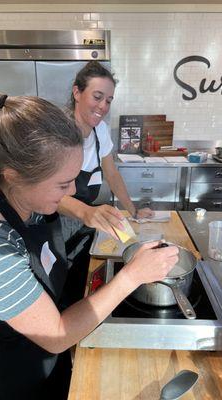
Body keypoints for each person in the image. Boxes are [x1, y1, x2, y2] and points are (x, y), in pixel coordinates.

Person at [0, 89, 179, 400]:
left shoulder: (25, 202)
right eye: (63, 184)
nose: (70, 191)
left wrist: (86, 211)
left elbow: (61, 202)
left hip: (41, 364)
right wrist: (132, 276)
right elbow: (56, 335)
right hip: (11, 379)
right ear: (15, 176)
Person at [58, 61, 154, 304]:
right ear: (77, 92)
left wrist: (132, 210)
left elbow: (112, 174)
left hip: (82, 224)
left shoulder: (100, 130)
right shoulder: (58, 130)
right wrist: (88, 212)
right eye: (97, 96)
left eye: (108, 100)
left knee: (82, 280)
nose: (103, 106)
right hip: (54, 223)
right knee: (59, 285)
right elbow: (46, 192)